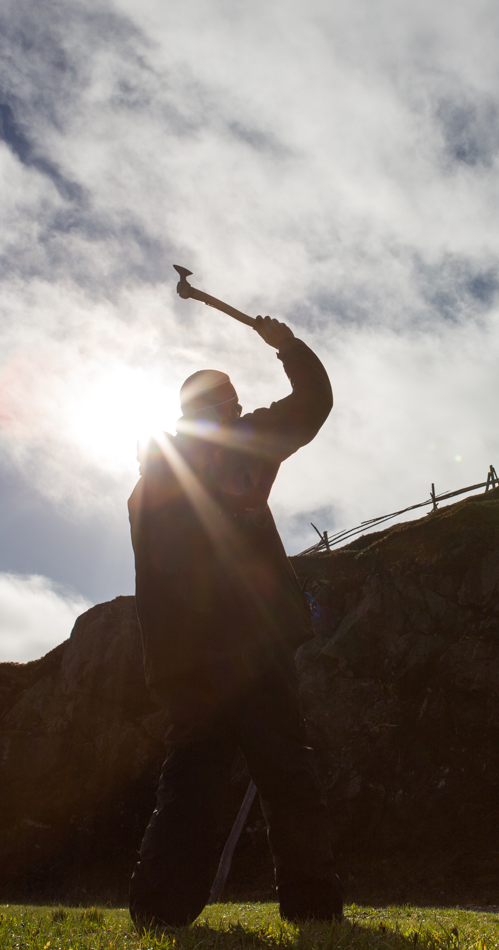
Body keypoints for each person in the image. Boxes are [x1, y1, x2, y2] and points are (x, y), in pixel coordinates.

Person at [126, 315, 342, 928]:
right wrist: (287, 346)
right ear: (222, 409)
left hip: (184, 660)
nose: (244, 411)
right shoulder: (232, 453)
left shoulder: (149, 483)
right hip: (247, 647)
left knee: (192, 780)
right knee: (285, 773)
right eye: (236, 404)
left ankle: (158, 910)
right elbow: (313, 403)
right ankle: (314, 910)